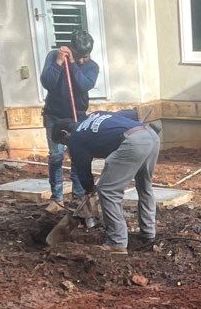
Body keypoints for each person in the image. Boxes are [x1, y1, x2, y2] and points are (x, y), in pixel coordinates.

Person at [52, 108, 159, 253]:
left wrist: (89, 190)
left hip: (133, 142)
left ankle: (117, 243)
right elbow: (130, 114)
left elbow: (82, 170)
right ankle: (148, 234)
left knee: (108, 191)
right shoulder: (94, 116)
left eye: (63, 142)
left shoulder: (75, 138)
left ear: (65, 133)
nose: (66, 146)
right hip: (149, 134)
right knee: (144, 186)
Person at [39, 29, 99, 204]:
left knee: (77, 155)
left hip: (77, 117)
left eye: (85, 56)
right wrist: (59, 62)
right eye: (79, 55)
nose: (82, 60)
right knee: (56, 156)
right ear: (70, 48)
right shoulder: (53, 56)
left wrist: (73, 64)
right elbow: (47, 82)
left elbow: (84, 85)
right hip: (54, 116)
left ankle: (78, 196)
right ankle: (56, 198)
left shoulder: (92, 66)